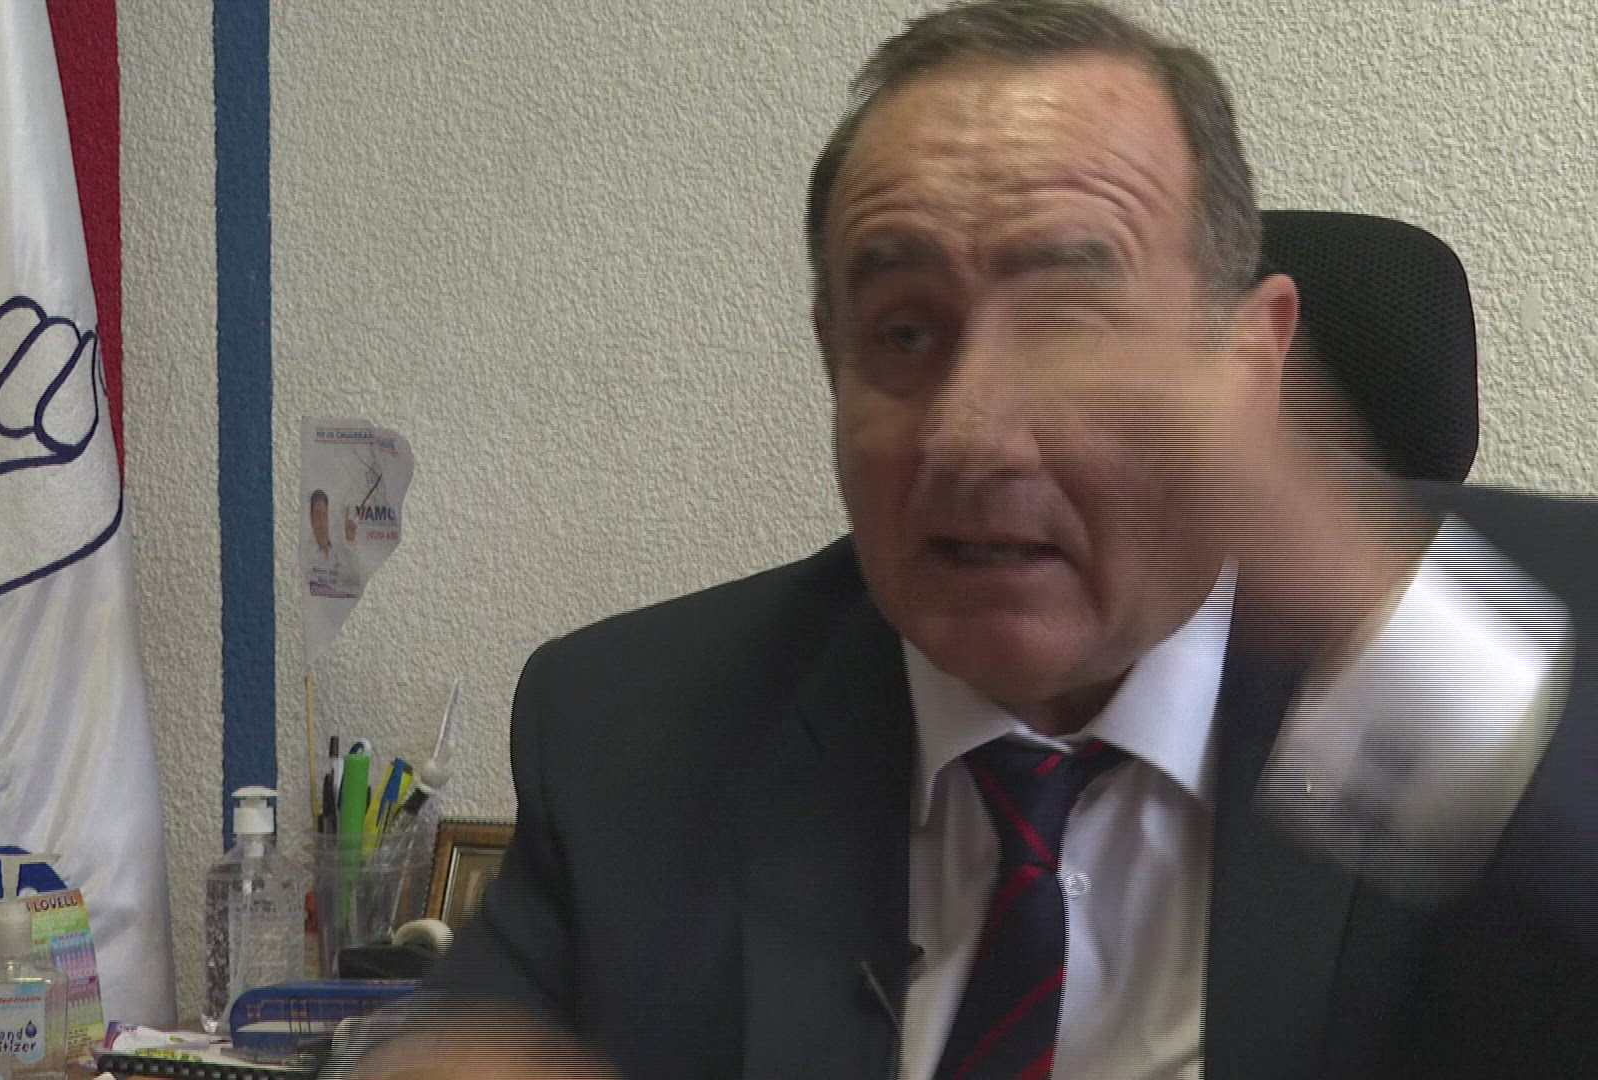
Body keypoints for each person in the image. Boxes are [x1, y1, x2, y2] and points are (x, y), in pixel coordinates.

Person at [353, 2, 1598, 1077]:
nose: (972, 436)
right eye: (904, 334)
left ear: (1246, 366)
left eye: (1066, 326)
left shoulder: (1540, 635)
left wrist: (1360, 612)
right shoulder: (639, 732)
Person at [307, 487, 366, 599]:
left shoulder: (339, 551)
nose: (321, 521)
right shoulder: (307, 557)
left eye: (324, 515)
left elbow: (356, 581)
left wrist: (350, 540)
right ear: (311, 518)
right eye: (317, 515)